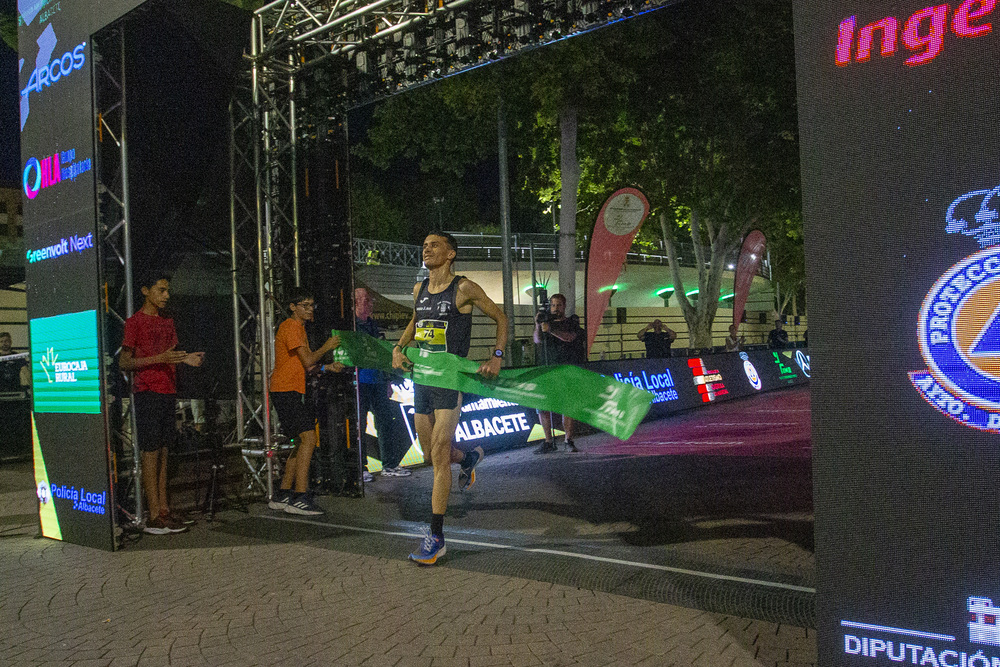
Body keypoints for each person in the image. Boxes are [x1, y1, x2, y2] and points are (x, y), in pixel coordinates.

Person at [392, 231, 507, 565]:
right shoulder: (419, 289)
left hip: (449, 380)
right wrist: (400, 347)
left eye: (434, 245)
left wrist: (496, 356)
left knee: (439, 454)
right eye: (424, 245)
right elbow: (416, 320)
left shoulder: (464, 288)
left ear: (451, 254)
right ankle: (469, 458)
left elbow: (500, 316)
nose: (426, 249)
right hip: (422, 380)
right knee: (430, 454)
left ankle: (436, 537)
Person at [120, 273, 204, 535]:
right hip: (147, 391)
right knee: (151, 452)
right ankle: (153, 514)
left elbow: (172, 356)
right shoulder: (134, 322)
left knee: (165, 451)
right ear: (146, 290)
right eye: (161, 290)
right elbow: (124, 362)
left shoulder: (168, 322)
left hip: (168, 391)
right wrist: (161, 358)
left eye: (168, 290)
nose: (166, 295)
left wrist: (186, 358)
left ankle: (164, 510)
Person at [266, 288, 342, 516]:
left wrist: (327, 367)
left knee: (301, 441)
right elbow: (308, 358)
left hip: (288, 389)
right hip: (284, 389)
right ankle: (300, 497)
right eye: (305, 305)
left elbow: (306, 365)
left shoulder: (298, 328)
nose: (310, 310)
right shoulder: (291, 327)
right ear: (293, 307)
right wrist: (327, 348)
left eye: (311, 305)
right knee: (309, 438)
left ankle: (284, 493)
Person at [355, 287, 410, 480]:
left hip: (377, 380)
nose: (370, 304)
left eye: (370, 301)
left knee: (386, 423)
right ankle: (361, 468)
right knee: (359, 427)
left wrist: (386, 379)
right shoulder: (352, 326)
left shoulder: (372, 324)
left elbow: (379, 352)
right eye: (366, 300)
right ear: (356, 302)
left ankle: (390, 465)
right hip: (360, 382)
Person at [533, 293, 584, 454]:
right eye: (553, 305)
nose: (555, 308)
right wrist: (538, 326)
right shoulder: (546, 323)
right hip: (547, 369)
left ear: (564, 306)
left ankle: (568, 440)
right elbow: (537, 340)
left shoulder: (572, 321)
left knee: (567, 406)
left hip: (565, 369)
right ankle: (548, 441)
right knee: (542, 406)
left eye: (558, 305)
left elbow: (569, 337)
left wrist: (551, 330)